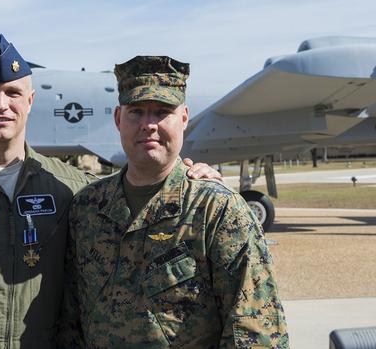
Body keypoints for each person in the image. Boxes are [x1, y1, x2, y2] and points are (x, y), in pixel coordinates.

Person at [0, 35, 220, 348]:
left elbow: (137, 213)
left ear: (30, 101)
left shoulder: (72, 189)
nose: (1, 104)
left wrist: (191, 178)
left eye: (13, 93)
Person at [59, 56, 289, 348]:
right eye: (136, 112)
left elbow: (255, 331)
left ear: (183, 118)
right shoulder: (87, 209)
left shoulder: (218, 211)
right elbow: (70, 321)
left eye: (162, 112)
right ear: (118, 118)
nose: (148, 125)